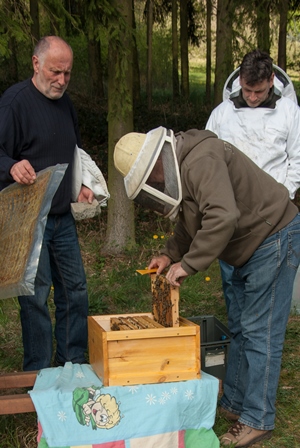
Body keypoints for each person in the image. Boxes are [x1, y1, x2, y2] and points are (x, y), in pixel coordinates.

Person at [113, 126, 300, 447]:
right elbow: (189, 224)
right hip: (251, 244)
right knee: (243, 327)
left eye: (153, 178)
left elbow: (223, 217)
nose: (156, 185)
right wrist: (169, 255)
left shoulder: (200, 159)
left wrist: (188, 264)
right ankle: (235, 402)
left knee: (261, 332)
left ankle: (257, 418)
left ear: (158, 161)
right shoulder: (184, 170)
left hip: (272, 236)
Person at [0, 36, 93, 371]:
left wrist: (80, 185)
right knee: (36, 297)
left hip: (62, 217)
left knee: (75, 290)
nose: (62, 80)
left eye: (67, 73)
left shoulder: (65, 103)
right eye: (56, 72)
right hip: (28, 221)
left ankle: (72, 362)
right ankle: (38, 371)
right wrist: (10, 165)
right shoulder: (14, 103)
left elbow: (74, 151)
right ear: (36, 64)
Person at [205, 49, 300, 311]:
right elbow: (207, 160)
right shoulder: (222, 114)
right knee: (234, 297)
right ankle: (239, 347)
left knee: (262, 309)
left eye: (258, 91)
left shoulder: (290, 113)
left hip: (273, 219)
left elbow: (298, 160)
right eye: (247, 90)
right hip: (231, 216)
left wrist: (282, 194)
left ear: (271, 80)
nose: (252, 97)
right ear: (240, 82)